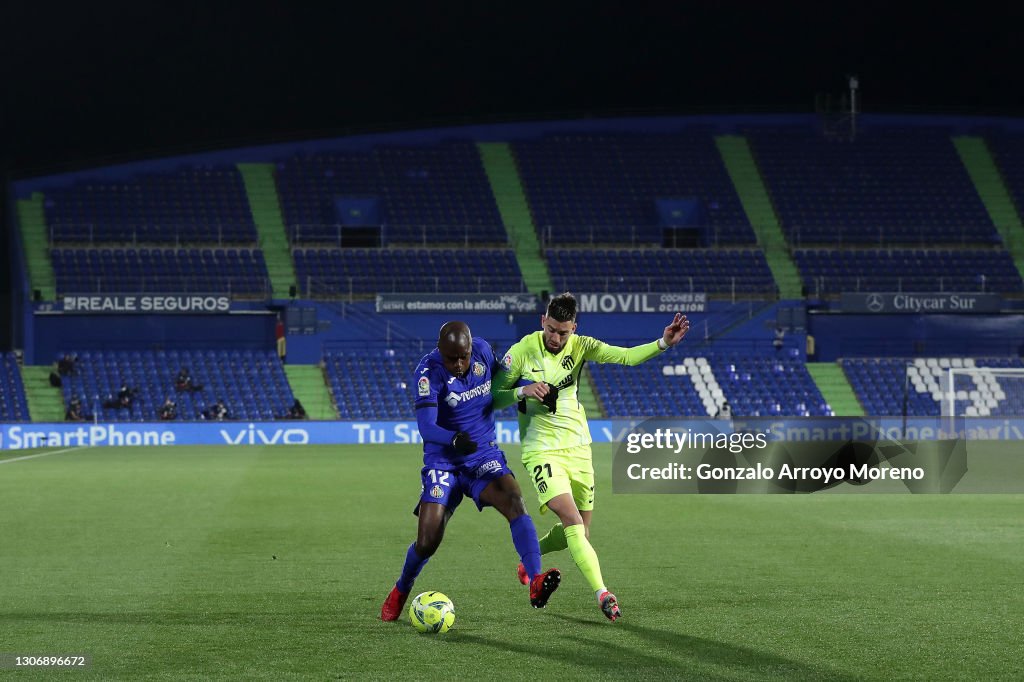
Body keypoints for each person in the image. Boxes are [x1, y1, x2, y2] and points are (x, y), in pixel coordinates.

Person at [492, 292, 690, 622]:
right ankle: (603, 593)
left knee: (581, 531)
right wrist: (521, 391)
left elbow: (625, 357)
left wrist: (663, 343)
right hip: (541, 450)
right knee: (572, 521)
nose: (555, 338)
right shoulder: (523, 351)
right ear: (543, 321)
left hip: (579, 448)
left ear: (574, 329)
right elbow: (492, 399)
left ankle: (532, 555)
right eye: (551, 329)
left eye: (563, 332)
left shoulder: (582, 346)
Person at [380, 321, 561, 621]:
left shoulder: (483, 350)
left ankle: (536, 579)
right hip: (444, 462)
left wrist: (533, 389)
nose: (460, 364)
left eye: (463, 356)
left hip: (481, 455)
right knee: (427, 542)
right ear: (440, 351)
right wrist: (452, 438)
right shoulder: (427, 373)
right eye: (453, 358)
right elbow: (426, 426)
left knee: (515, 501)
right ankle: (401, 589)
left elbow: (506, 381)